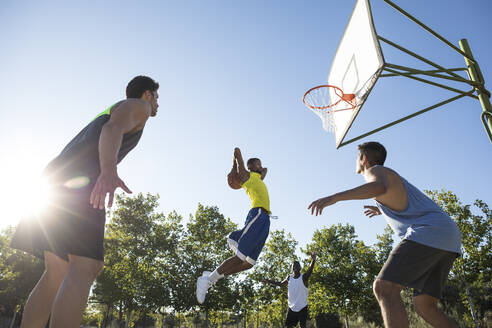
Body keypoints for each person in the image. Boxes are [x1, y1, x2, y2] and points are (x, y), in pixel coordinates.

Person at [11, 75, 160, 328]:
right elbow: (111, 130)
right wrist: (108, 171)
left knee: (57, 271)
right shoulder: (139, 106)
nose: (157, 104)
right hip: (79, 181)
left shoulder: (115, 108)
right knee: (86, 265)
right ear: (147, 94)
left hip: (55, 181)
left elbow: (107, 129)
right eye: (157, 97)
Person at [308, 141, 461, 328]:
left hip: (429, 231)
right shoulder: (388, 176)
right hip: (448, 237)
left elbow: (379, 187)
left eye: (357, 157)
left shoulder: (376, 170)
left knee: (384, 287)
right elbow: (396, 197)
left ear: (363, 159)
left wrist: (334, 198)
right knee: (424, 305)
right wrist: (381, 209)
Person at [196, 147, 271, 304]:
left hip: (265, 220)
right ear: (252, 166)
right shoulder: (247, 176)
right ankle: (207, 280)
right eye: (259, 163)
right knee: (240, 257)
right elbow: (237, 152)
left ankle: (210, 277)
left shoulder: (258, 177)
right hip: (257, 214)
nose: (262, 166)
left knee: (248, 263)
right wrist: (235, 166)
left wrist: (259, 168)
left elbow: (265, 170)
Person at [263, 254, 316, 328]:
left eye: (297, 265)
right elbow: (281, 284)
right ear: (292, 268)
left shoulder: (303, 278)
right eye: (294, 266)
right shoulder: (289, 278)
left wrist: (313, 260)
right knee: (288, 326)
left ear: (300, 268)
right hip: (292, 307)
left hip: (302, 307)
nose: (296, 267)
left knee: (302, 326)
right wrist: (268, 281)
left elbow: (309, 271)